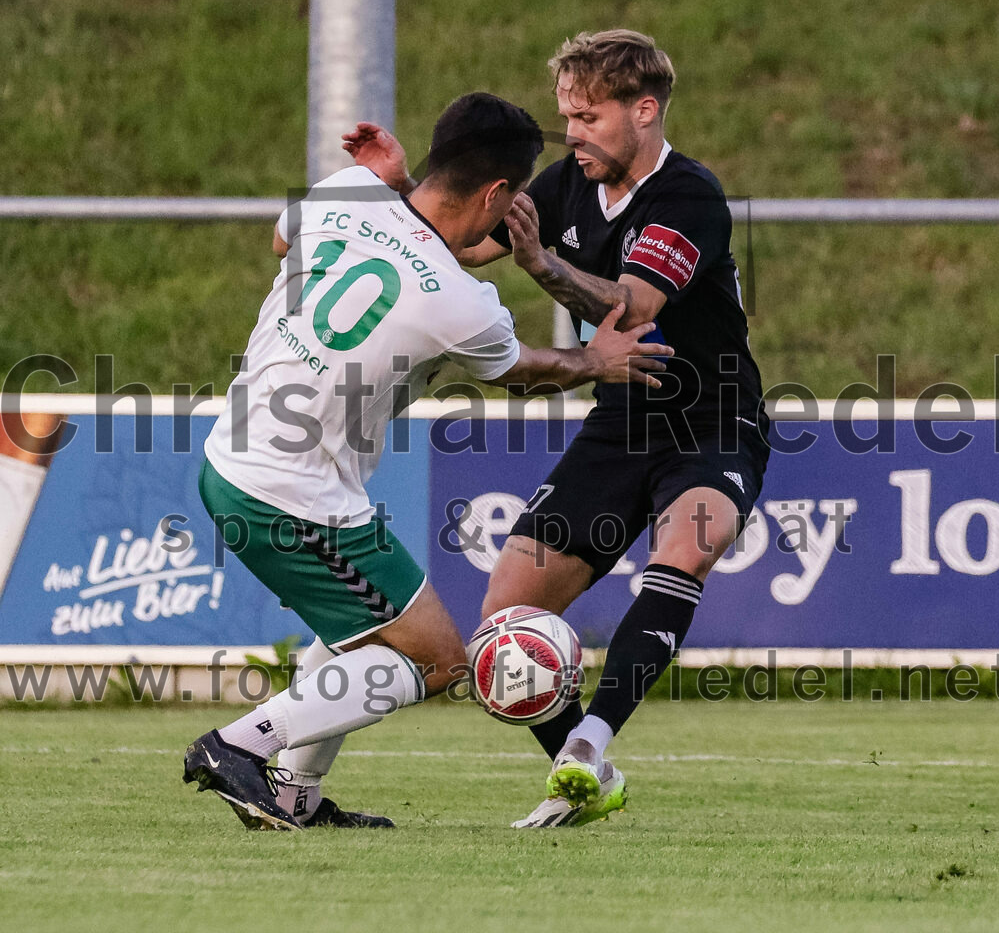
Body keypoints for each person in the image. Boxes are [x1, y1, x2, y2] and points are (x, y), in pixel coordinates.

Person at [183, 91, 672, 831]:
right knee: (438, 660)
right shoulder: (461, 303)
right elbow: (522, 369)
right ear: (498, 194)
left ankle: (291, 798)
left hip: (244, 459)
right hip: (290, 493)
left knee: (361, 631)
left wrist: (384, 181)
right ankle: (237, 748)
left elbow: (286, 242)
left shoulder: (348, 190)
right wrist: (594, 357)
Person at [344, 30, 770, 829]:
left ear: (643, 111)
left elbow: (631, 309)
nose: (570, 133)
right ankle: (583, 767)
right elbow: (457, 242)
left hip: (715, 420)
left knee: (685, 548)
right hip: (619, 424)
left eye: (587, 116)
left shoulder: (688, 197)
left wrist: (541, 268)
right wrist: (405, 185)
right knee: (504, 621)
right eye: (564, 116)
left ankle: (592, 738)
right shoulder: (565, 183)